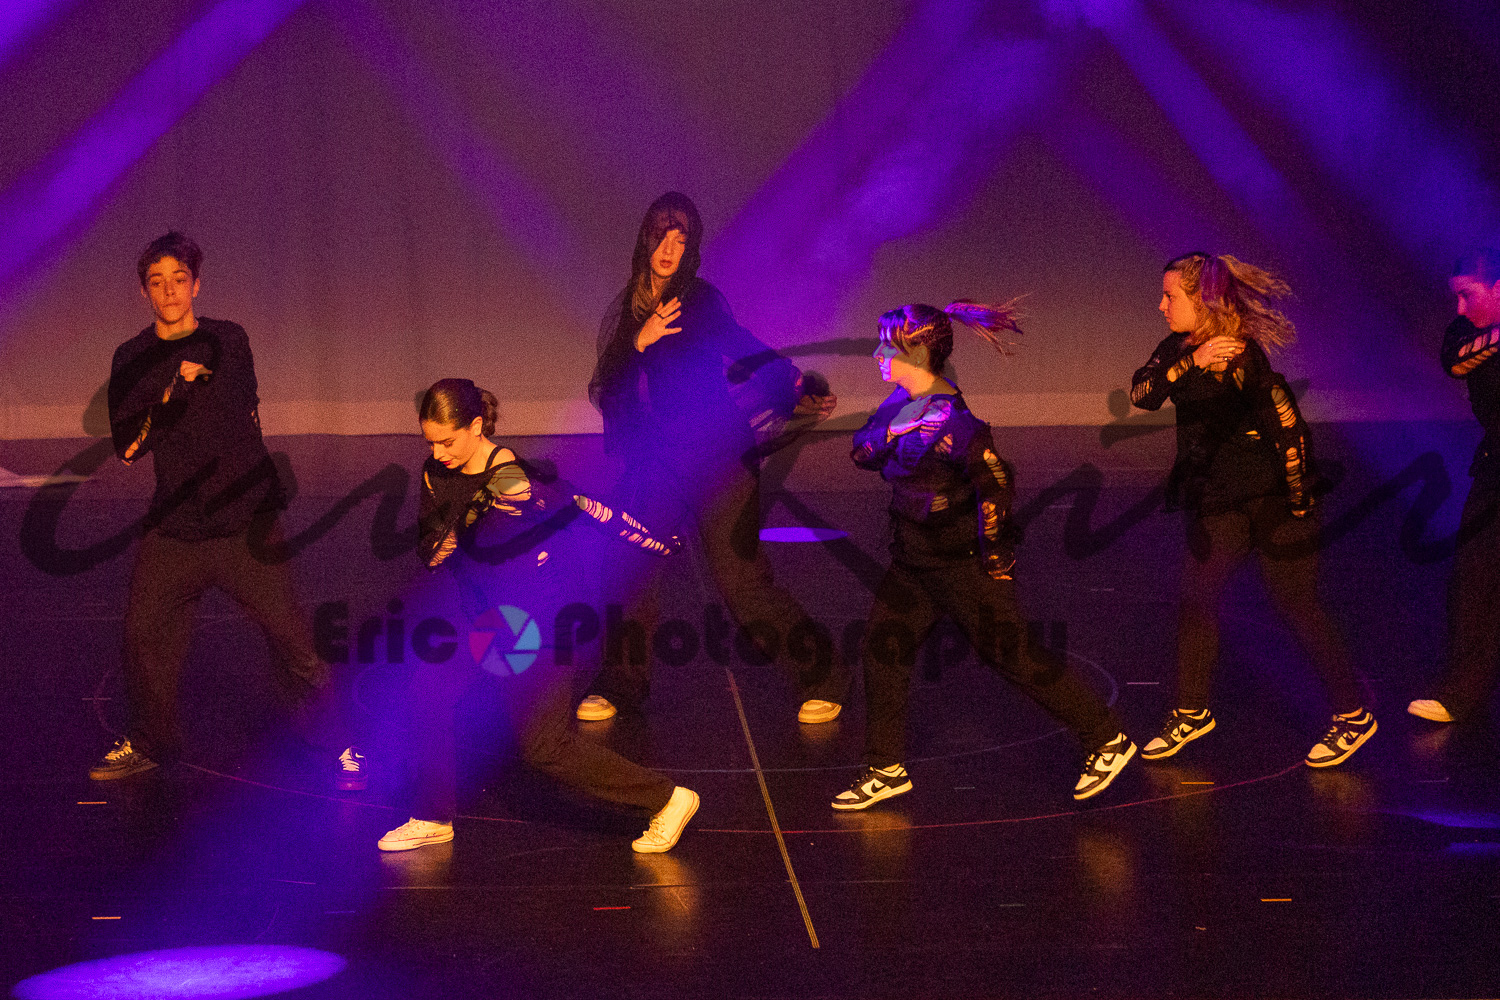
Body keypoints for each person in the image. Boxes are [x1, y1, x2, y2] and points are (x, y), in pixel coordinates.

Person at [832, 301, 1135, 809]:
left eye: (889, 345)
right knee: (883, 650)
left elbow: (996, 487)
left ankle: (1107, 738)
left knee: (1012, 654)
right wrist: (894, 430)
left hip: (959, 563)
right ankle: (886, 769)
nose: (878, 353)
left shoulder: (957, 423)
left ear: (919, 353)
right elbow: (862, 452)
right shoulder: (899, 404)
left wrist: (996, 562)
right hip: (913, 562)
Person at [376, 379, 698, 854]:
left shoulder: (519, 480)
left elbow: (591, 510)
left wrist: (657, 543)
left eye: (447, 441)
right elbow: (431, 554)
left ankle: (667, 799)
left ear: (477, 426)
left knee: (544, 748)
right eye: (430, 442)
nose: (437, 452)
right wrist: (473, 513)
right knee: (426, 694)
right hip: (483, 615)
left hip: (540, 620)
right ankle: (432, 816)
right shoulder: (435, 474)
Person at [93, 231, 363, 788]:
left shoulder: (228, 339)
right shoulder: (131, 357)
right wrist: (172, 388)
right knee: (143, 636)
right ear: (143, 291)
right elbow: (128, 447)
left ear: (197, 284)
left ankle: (338, 743)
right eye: (157, 282)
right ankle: (152, 740)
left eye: (179, 280)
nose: (169, 291)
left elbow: (237, 407)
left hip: (244, 525)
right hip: (175, 528)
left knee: (293, 643)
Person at [577, 192, 845, 725]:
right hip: (655, 463)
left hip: (717, 457)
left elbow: (743, 347)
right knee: (631, 570)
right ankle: (622, 683)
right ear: (645, 239)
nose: (669, 249)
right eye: (662, 236)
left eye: (681, 240)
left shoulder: (700, 300)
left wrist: (794, 385)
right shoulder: (628, 308)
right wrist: (639, 343)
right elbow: (611, 387)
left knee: (739, 580)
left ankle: (822, 675)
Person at [1130, 252, 1375, 767]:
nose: (1161, 306)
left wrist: (1299, 502)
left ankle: (1354, 715)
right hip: (1222, 500)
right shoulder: (1178, 349)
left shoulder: (1242, 356)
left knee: (1296, 603)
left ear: (1202, 299)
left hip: (1275, 498)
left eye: (1170, 296)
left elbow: (1287, 426)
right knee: (1197, 599)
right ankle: (1191, 712)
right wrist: (1191, 362)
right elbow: (1143, 394)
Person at [1409, 250, 1500, 724]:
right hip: (1494, 469)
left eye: (1468, 295)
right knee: (1473, 579)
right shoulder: (1463, 333)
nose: (1459, 308)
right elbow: (1456, 363)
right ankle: (1462, 694)